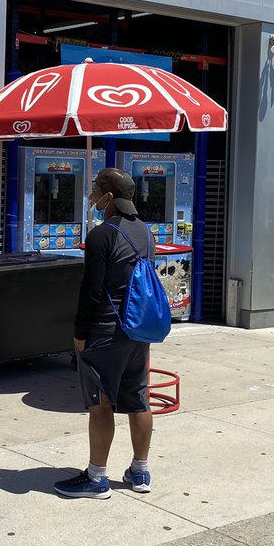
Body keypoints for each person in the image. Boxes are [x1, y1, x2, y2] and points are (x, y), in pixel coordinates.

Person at [54, 168, 154, 499]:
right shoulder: (146, 232)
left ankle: (97, 478)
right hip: (138, 331)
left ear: (109, 197)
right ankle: (140, 472)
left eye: (96, 188)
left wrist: (80, 333)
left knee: (100, 404)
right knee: (138, 400)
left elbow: (91, 291)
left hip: (105, 332)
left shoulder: (102, 235)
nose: (91, 194)